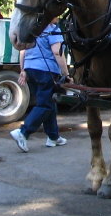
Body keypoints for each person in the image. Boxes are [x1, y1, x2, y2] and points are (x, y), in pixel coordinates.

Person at [9, 18, 71, 152]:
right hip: (46, 71)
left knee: (49, 103)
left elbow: (23, 51)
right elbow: (57, 52)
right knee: (44, 105)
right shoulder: (53, 29)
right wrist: (66, 74)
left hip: (31, 69)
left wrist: (23, 70)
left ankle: (53, 137)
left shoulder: (32, 29)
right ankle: (23, 132)